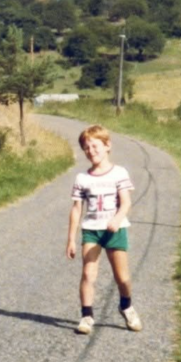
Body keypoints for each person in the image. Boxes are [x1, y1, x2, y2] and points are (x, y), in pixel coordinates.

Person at [66, 124, 142, 335]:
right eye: (86, 148)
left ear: (107, 146)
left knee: (122, 277)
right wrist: (71, 239)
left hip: (115, 230)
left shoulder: (119, 173)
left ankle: (126, 306)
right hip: (92, 231)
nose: (91, 151)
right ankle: (86, 316)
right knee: (88, 273)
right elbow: (76, 209)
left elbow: (126, 202)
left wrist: (117, 219)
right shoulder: (82, 178)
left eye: (95, 146)